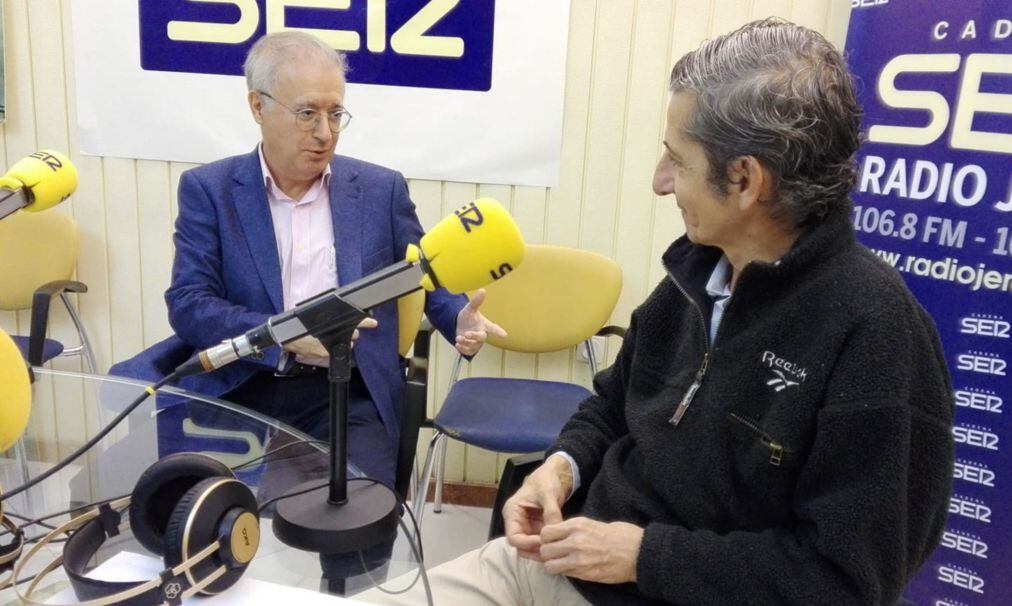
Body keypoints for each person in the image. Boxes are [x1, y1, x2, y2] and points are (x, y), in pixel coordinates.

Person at [364, 18, 954, 606]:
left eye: (677, 160)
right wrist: (562, 467)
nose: (659, 181)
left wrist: (646, 557)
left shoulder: (877, 336)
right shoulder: (695, 280)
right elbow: (613, 404)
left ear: (746, 181)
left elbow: (846, 584)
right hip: (557, 565)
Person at [111, 31, 504, 489]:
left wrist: (457, 318)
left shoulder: (380, 191)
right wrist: (288, 336)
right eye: (307, 114)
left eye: (335, 114)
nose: (324, 133)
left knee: (362, 515)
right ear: (258, 107)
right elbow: (189, 304)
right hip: (243, 381)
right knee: (186, 510)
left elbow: (423, 273)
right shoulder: (210, 191)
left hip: (347, 387)